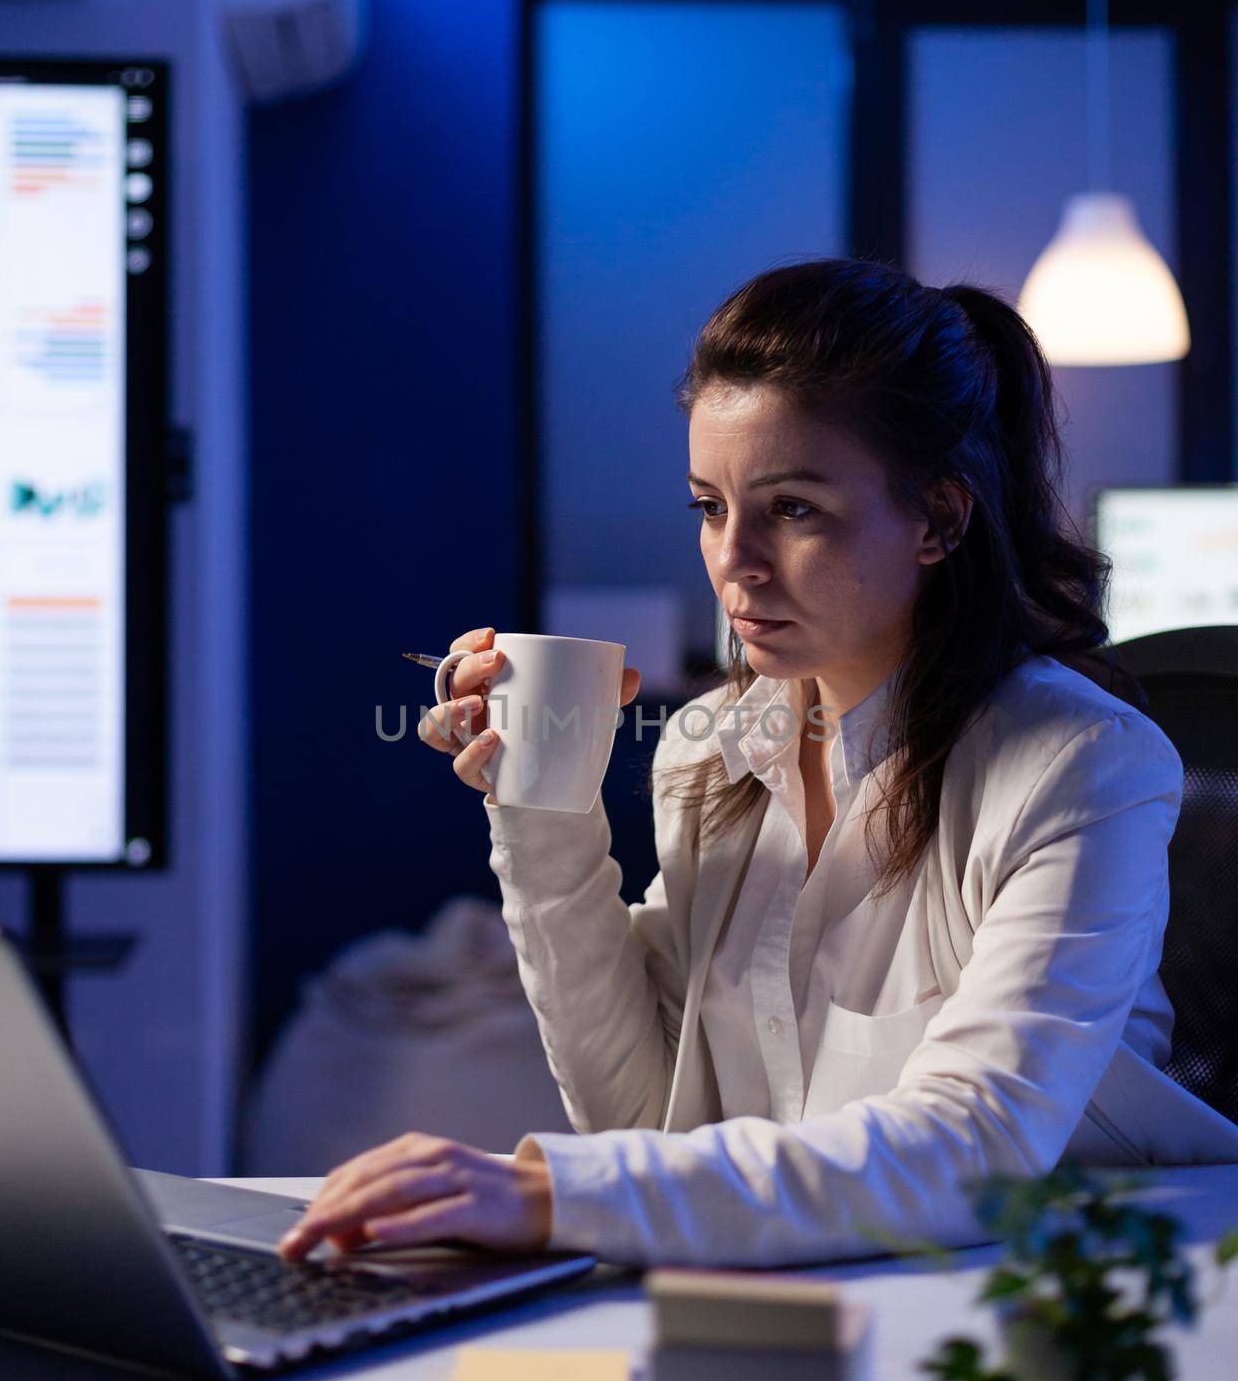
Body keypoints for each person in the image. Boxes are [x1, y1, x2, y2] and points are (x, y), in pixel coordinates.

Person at [280, 258, 1238, 1269]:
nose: (734, 559)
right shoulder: (709, 750)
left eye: (793, 509)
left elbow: (977, 1143)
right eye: (709, 505)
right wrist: (543, 808)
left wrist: (545, 1189)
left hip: (1074, 1300)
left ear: (940, 518)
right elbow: (642, 1121)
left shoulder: (1081, 764)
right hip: (821, 1285)